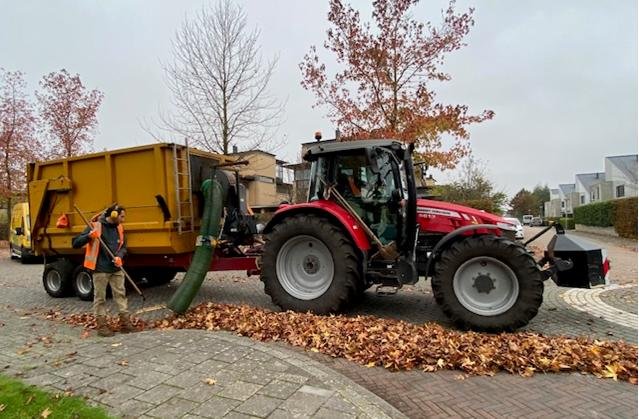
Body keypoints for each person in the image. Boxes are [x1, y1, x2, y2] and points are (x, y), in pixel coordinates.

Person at [72, 205, 133, 337]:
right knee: (100, 298)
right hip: (100, 269)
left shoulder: (120, 228)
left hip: (116, 268)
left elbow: (124, 247)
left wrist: (119, 256)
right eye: (121, 216)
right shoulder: (95, 226)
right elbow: (75, 243)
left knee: (120, 295)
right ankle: (102, 327)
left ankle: (125, 324)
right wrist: (89, 236)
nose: (123, 219)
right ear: (114, 215)